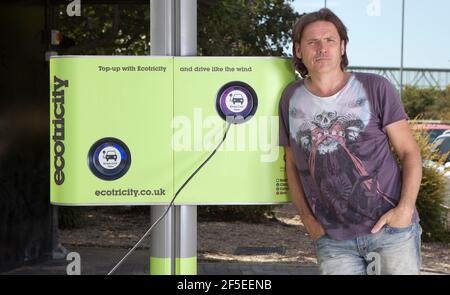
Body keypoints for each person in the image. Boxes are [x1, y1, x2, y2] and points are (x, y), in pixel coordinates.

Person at [278, 8, 423, 275]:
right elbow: (291, 164)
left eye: (329, 40)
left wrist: (404, 210)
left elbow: (409, 152)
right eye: (312, 42)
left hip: (391, 229)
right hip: (333, 239)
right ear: (298, 50)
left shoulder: (376, 88)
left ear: (342, 46)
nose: (322, 48)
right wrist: (308, 220)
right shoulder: (291, 98)